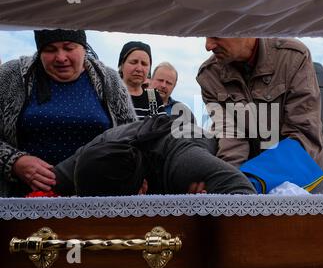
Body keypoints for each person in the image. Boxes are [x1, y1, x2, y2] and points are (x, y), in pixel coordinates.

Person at [0, 29, 137, 197]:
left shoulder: (109, 80)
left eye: (69, 48)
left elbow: (132, 136)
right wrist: (13, 161)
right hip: (23, 200)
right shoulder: (10, 76)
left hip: (98, 199)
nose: (61, 57)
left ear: (83, 48)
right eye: (50, 50)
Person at [196, 37, 323, 194]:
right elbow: (230, 137)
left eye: (215, 35)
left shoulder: (293, 57)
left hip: (303, 180)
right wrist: (227, 184)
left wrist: (247, 182)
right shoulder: (209, 75)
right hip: (250, 181)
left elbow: (304, 135)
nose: (208, 46)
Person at [53, 114, 256, 196]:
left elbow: (243, 193)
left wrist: (204, 211)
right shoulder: (92, 154)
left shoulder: (186, 163)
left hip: (183, 136)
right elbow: (48, 183)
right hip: (140, 131)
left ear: (144, 187)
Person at [118, 41, 164, 119]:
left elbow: (162, 128)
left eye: (144, 64)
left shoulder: (154, 98)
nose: (139, 69)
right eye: (133, 62)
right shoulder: (109, 94)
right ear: (122, 65)